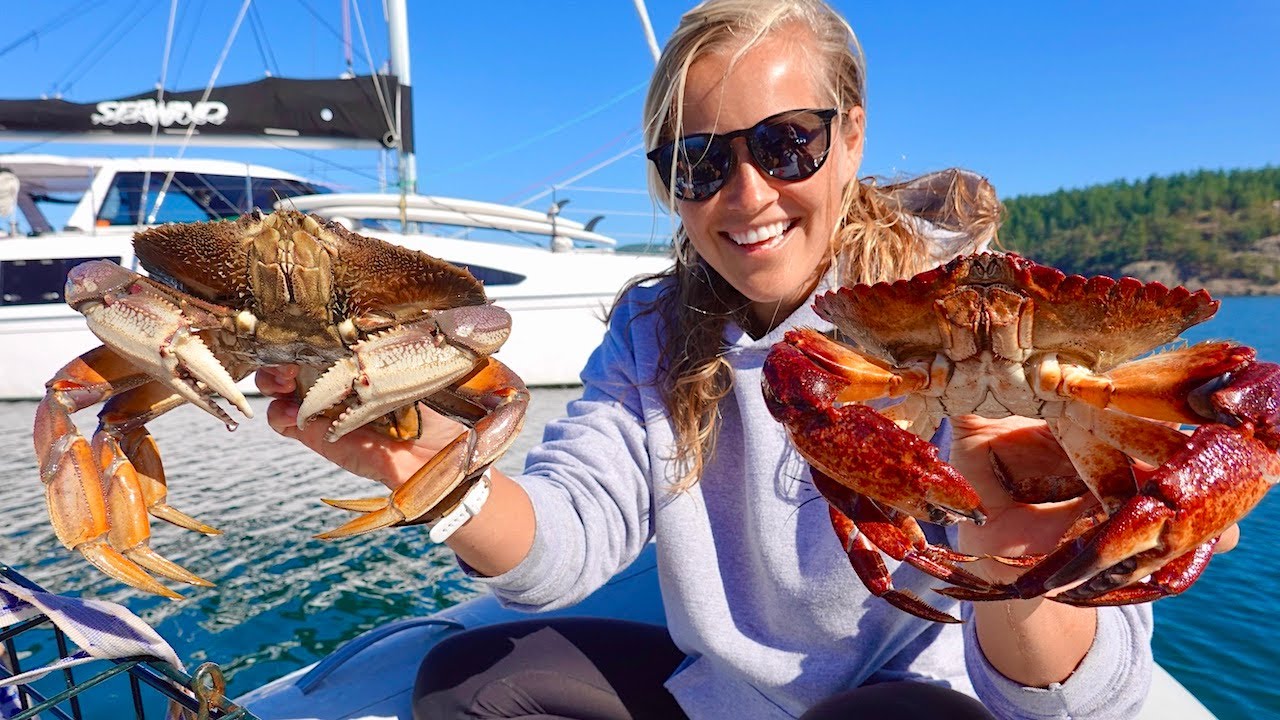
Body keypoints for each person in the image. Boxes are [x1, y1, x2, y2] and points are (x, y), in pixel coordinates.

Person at [256, 1, 1236, 717]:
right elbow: (565, 545)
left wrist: (1023, 569)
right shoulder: (651, 331)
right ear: (668, 184)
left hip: (926, 698)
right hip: (730, 697)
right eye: (699, 160)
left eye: (785, 142)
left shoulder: (985, 318)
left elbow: (1090, 693)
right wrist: (424, 465)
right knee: (467, 680)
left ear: (849, 140)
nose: (747, 190)